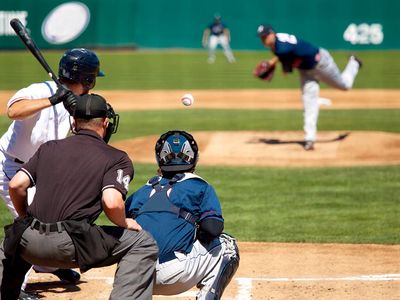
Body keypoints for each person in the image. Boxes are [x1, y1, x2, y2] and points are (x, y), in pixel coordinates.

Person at [0, 93, 158, 300]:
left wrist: (25, 219)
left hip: (29, 243)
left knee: (8, 246)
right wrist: (124, 221)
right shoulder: (116, 158)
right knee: (142, 242)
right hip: (71, 245)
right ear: (105, 122)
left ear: (74, 122)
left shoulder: (49, 148)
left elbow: (16, 184)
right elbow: (111, 202)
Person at [0, 48, 104, 299]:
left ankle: (48, 264)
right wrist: (53, 99)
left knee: (55, 220)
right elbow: (13, 111)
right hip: (12, 168)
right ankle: (13, 289)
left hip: (40, 171)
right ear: (87, 78)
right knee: (32, 226)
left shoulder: (73, 101)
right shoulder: (39, 91)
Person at [125, 130, 240, 299]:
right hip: (173, 275)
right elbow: (213, 228)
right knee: (227, 246)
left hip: (132, 276)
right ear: (193, 158)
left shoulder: (141, 192)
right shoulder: (199, 186)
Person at [256, 24, 362, 150]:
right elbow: (286, 58)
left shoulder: (281, 48)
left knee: (345, 86)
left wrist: (273, 63)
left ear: (272, 33)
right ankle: (309, 139)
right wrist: (275, 63)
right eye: (261, 37)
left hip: (321, 63)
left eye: (265, 36)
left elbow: (285, 59)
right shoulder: (277, 45)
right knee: (309, 103)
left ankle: (354, 63)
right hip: (306, 71)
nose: (264, 40)